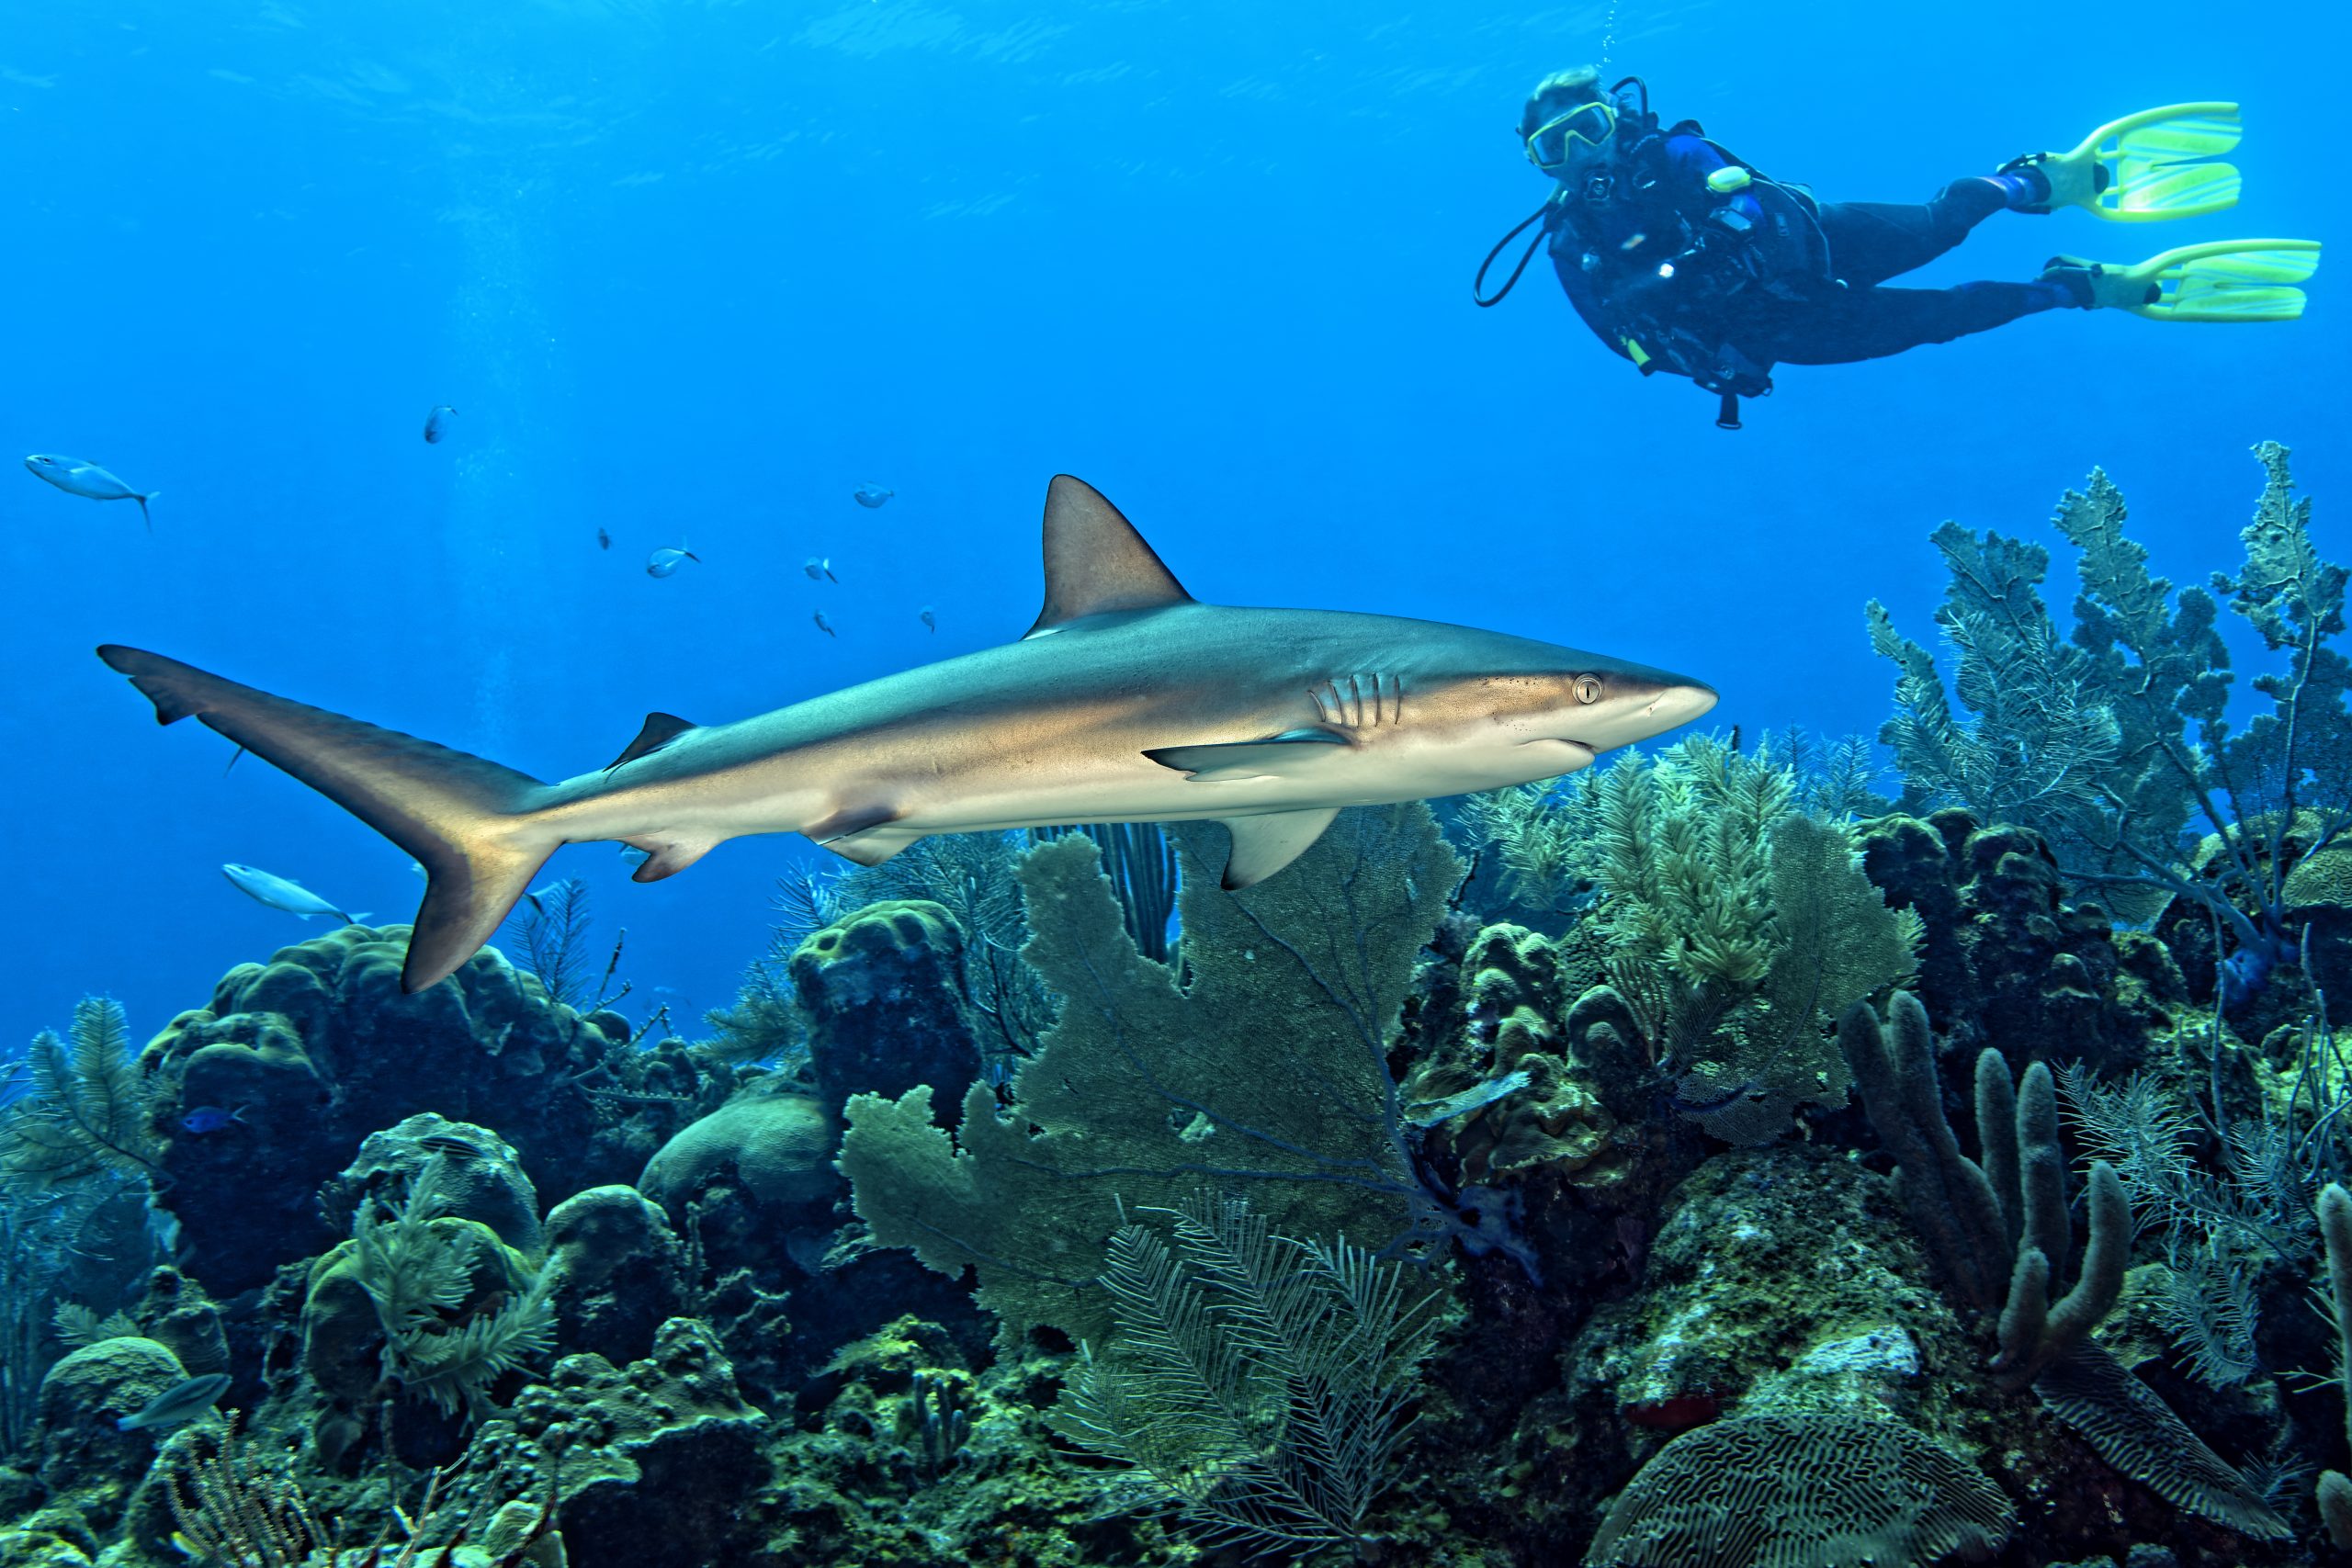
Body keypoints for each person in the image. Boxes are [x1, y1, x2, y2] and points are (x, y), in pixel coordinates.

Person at [1475, 70, 2322, 427]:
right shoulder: (1567, 241)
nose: (1579, 155)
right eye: (1554, 148)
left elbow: (1745, 194)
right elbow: (1619, 338)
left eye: (1587, 129)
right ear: (1539, 164)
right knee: (1943, 318)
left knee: (1942, 222)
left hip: (1818, 244)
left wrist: (1734, 233)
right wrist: (1701, 365)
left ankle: (2035, 182)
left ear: (1615, 121)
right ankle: (2083, 287)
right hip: (1779, 332)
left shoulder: (1673, 156)